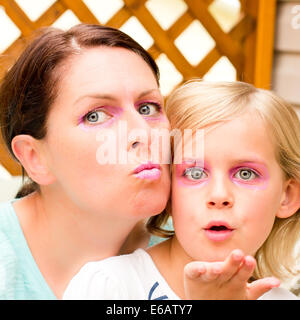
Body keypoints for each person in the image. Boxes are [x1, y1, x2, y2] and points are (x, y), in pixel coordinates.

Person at [63, 80, 300, 300]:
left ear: (287, 196)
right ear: (166, 190)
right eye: (195, 173)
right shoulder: (109, 287)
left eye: (245, 174)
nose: (219, 196)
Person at [0, 24, 171, 299]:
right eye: (95, 115)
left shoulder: (199, 245)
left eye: (147, 108)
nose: (143, 133)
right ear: (35, 158)